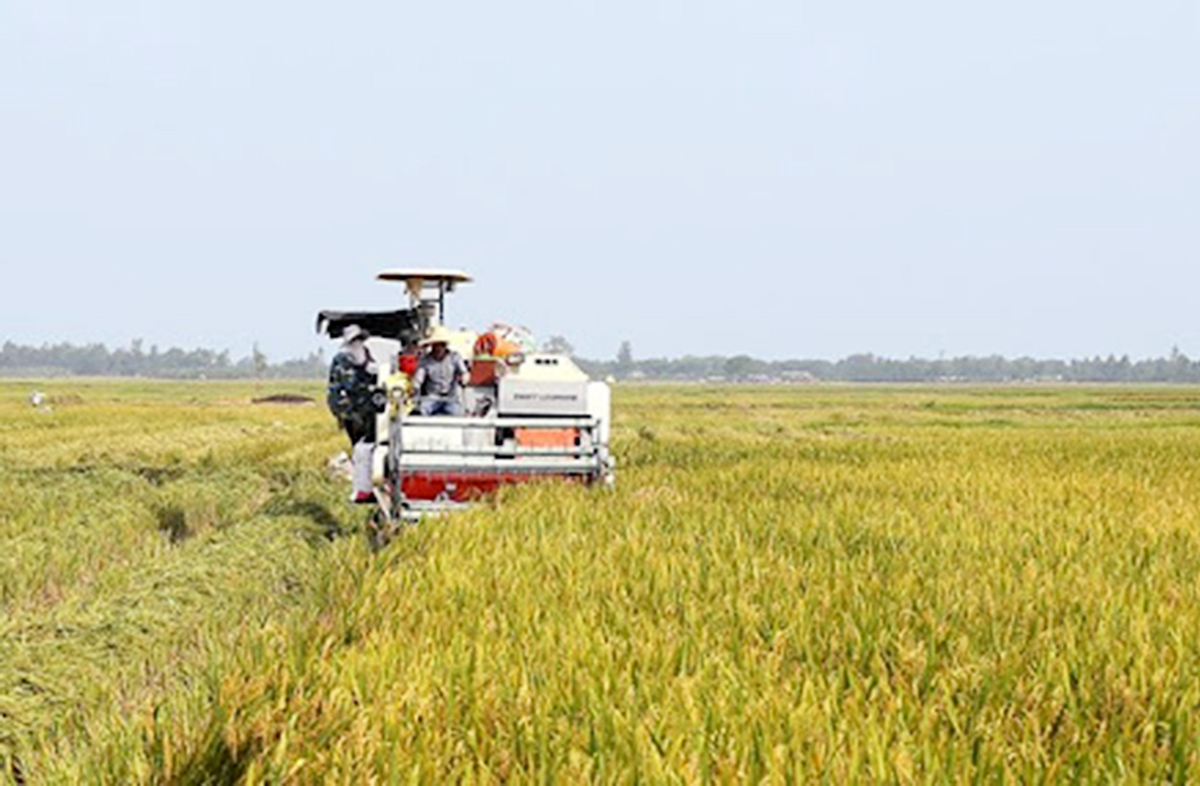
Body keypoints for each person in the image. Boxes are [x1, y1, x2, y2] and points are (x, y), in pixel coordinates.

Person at [326, 325, 378, 503]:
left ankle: (370, 485)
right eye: (353, 341)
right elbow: (333, 389)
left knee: (371, 448)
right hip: (351, 412)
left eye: (358, 340)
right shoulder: (340, 361)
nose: (356, 344)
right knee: (358, 448)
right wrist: (338, 413)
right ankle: (362, 487)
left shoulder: (372, 358)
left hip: (372, 411)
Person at [412, 324, 469, 416]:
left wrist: (464, 379)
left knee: (458, 413)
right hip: (431, 398)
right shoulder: (425, 360)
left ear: (445, 345)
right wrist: (416, 385)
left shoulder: (454, 357)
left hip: (451, 398)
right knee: (421, 411)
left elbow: (464, 373)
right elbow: (419, 377)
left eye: (440, 345)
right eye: (435, 345)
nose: (437, 348)